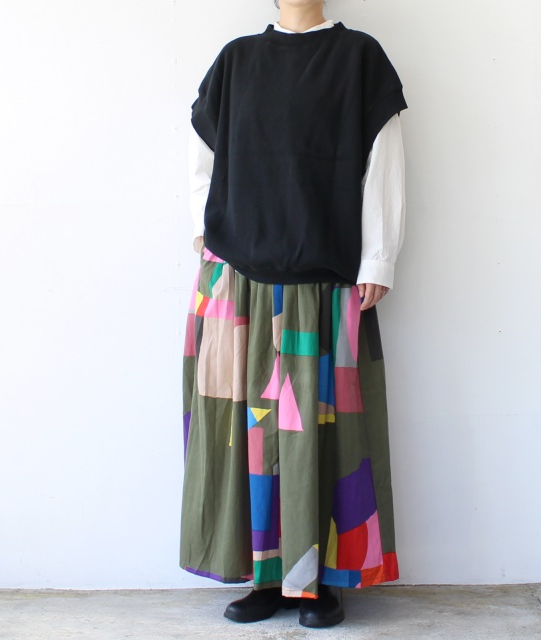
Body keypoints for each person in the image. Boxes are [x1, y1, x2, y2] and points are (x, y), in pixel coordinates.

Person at [180, 0, 407, 629]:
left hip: (323, 281)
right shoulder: (236, 61)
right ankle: (263, 576)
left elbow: (383, 162)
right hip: (239, 281)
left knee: (322, 439)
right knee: (243, 438)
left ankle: (318, 583)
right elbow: (203, 157)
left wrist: (378, 259)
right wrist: (203, 231)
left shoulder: (359, 57)